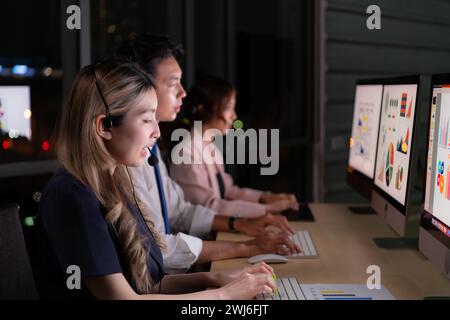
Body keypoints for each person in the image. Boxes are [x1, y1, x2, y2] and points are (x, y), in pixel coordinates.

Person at [36, 57, 276, 299]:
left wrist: (214, 279)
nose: (157, 131)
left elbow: (146, 287)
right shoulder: (74, 195)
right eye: (146, 119)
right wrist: (225, 296)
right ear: (104, 126)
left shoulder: (116, 182)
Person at [115, 34, 299, 273]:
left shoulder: (153, 150)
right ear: (139, 87)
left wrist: (253, 213)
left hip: (176, 270)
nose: (183, 93)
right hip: (165, 276)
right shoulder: (133, 159)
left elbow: (180, 209)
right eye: (173, 84)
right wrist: (247, 240)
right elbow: (160, 247)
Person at [169, 75, 299, 218]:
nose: (234, 116)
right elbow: (209, 207)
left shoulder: (210, 146)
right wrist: (267, 209)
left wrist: (266, 197)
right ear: (204, 110)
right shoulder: (186, 153)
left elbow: (229, 192)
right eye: (229, 108)